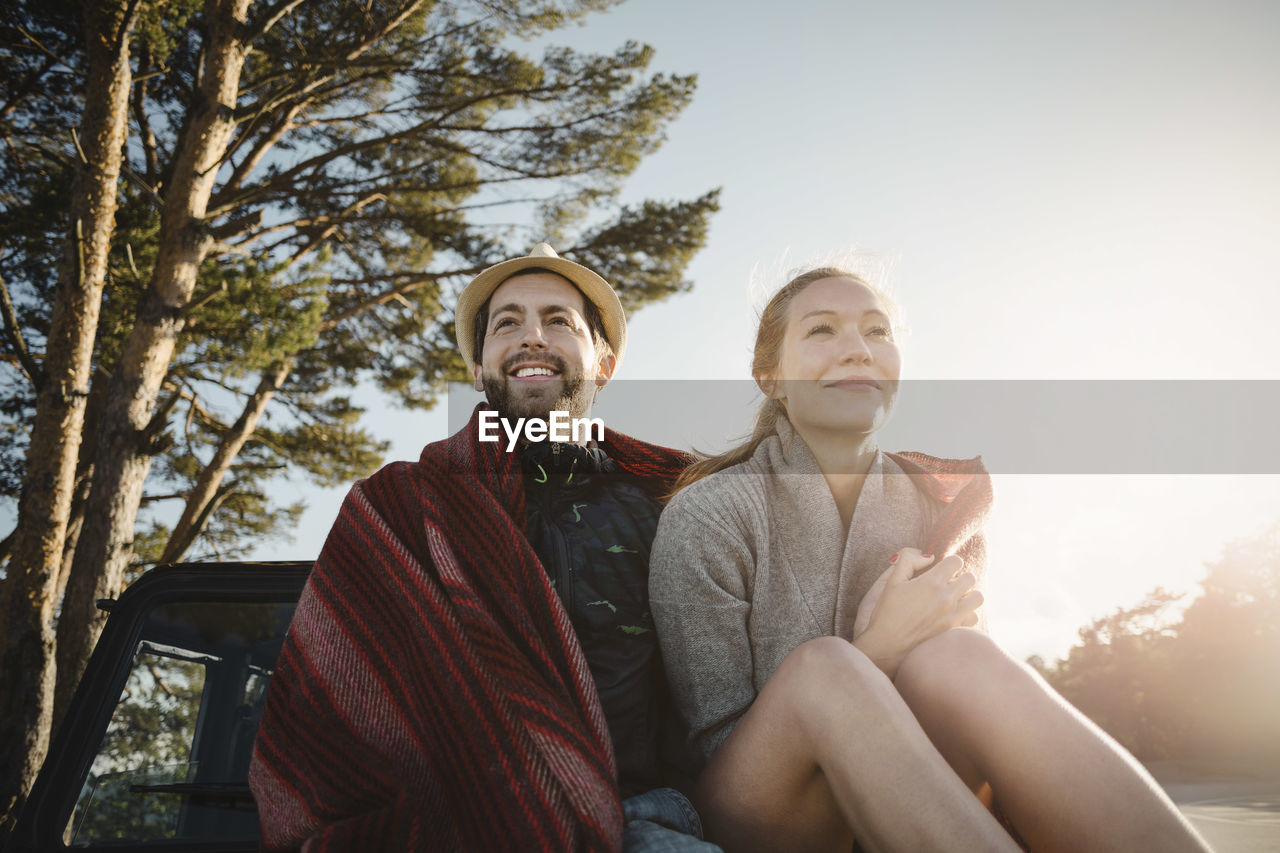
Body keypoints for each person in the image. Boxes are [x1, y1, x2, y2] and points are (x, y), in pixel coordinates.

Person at [649, 267, 1212, 852]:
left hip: (920, 799)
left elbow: (971, 716)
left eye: (877, 332)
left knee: (959, 655)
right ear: (771, 377)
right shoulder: (709, 512)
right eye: (822, 331)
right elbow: (712, 742)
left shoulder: (943, 505)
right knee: (825, 671)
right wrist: (880, 648)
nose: (858, 351)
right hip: (763, 810)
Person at [249, 244, 718, 851]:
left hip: (653, 819)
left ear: (602, 363)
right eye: (507, 323)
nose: (531, 338)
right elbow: (327, 716)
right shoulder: (399, 509)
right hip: (462, 826)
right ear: (478, 367)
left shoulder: (674, 504)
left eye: (558, 320)